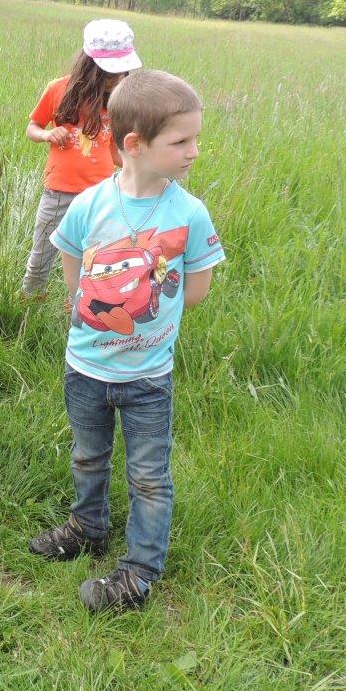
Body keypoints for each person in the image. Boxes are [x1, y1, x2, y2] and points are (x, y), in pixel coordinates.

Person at [28, 69, 224, 612]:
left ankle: (139, 571)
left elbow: (197, 289)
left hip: (147, 379)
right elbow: (71, 263)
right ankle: (88, 526)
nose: (194, 151)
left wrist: (144, 300)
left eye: (195, 139)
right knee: (88, 456)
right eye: (181, 141)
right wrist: (97, 305)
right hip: (86, 369)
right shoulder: (92, 203)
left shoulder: (189, 212)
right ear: (134, 145)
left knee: (149, 475)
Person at [21, 19, 141, 299]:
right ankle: (30, 301)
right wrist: (48, 135)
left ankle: (80, 303)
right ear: (90, 65)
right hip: (59, 192)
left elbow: (113, 151)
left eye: (122, 71)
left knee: (94, 255)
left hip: (100, 194)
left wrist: (144, 168)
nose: (117, 77)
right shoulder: (58, 89)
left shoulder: (120, 100)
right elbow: (32, 128)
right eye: (110, 72)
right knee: (43, 251)